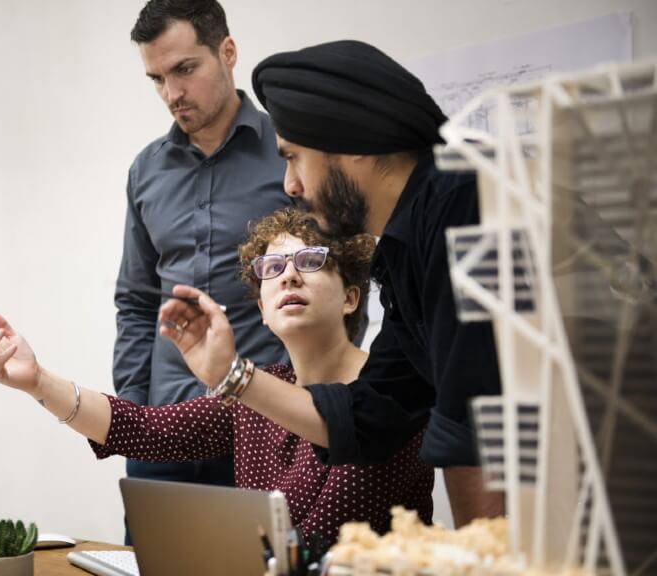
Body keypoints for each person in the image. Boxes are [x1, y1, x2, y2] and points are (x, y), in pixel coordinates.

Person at [159, 40, 505, 528]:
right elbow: (370, 417)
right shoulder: (408, 248)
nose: (290, 185)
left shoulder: (462, 206)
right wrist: (230, 372)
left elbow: (477, 431)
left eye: (294, 157)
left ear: (355, 144)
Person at [0, 208, 433, 544]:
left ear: (351, 296)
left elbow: (321, 538)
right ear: (262, 309)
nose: (288, 275)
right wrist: (37, 381)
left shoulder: (391, 394)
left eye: (310, 261)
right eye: (273, 268)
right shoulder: (261, 389)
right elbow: (148, 431)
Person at [114, 0, 292, 521]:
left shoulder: (291, 153)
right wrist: (133, 413)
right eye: (157, 78)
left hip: (267, 429)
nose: (172, 94)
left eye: (184, 69)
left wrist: (316, 413)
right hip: (163, 433)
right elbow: (136, 300)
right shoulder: (146, 170)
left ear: (227, 52)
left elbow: (340, 287)